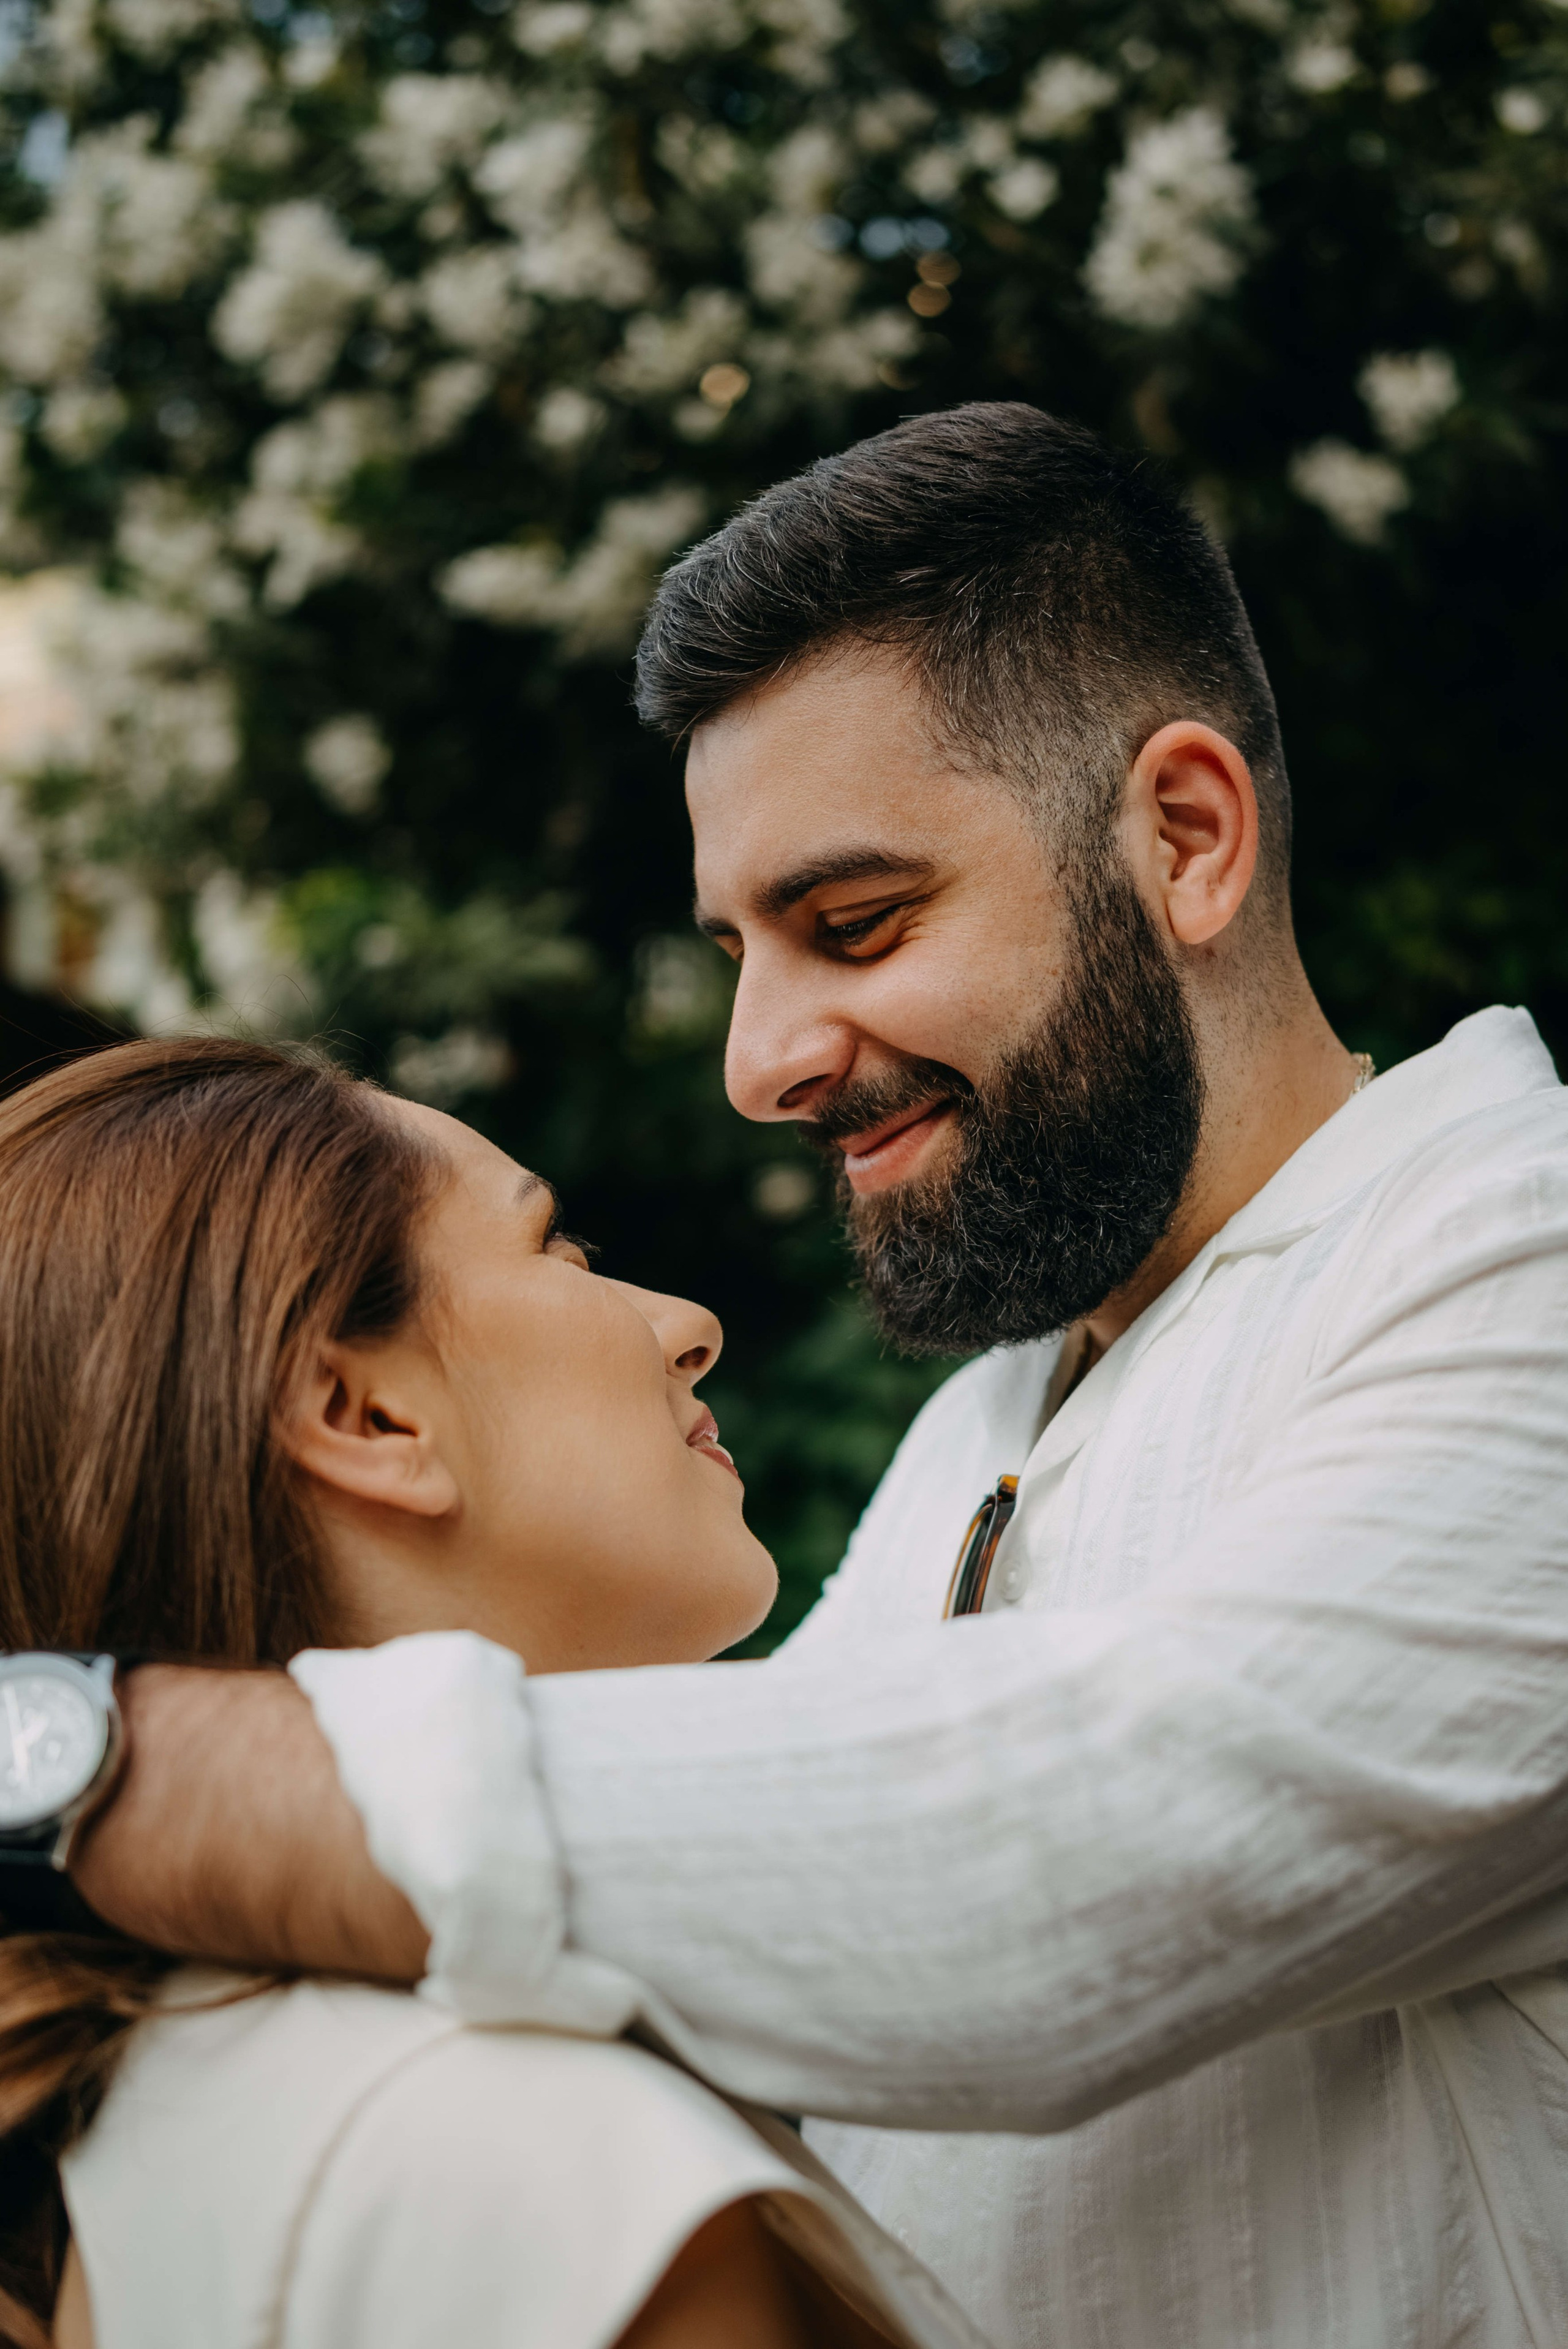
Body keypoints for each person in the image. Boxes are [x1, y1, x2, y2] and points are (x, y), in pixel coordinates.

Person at [23, 402, 1568, 2348]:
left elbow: (1069, 1867)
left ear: (1186, 838)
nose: (762, 1058)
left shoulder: (1520, 1255)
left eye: (854, 924)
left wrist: (80, 1755)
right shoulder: (983, 1426)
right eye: (739, 950)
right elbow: (733, 1877)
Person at [0, 1037, 986, 2349]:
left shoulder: (158, 2119)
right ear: (366, 1415)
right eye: (557, 1250)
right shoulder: (547, 2169)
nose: (688, 1327)